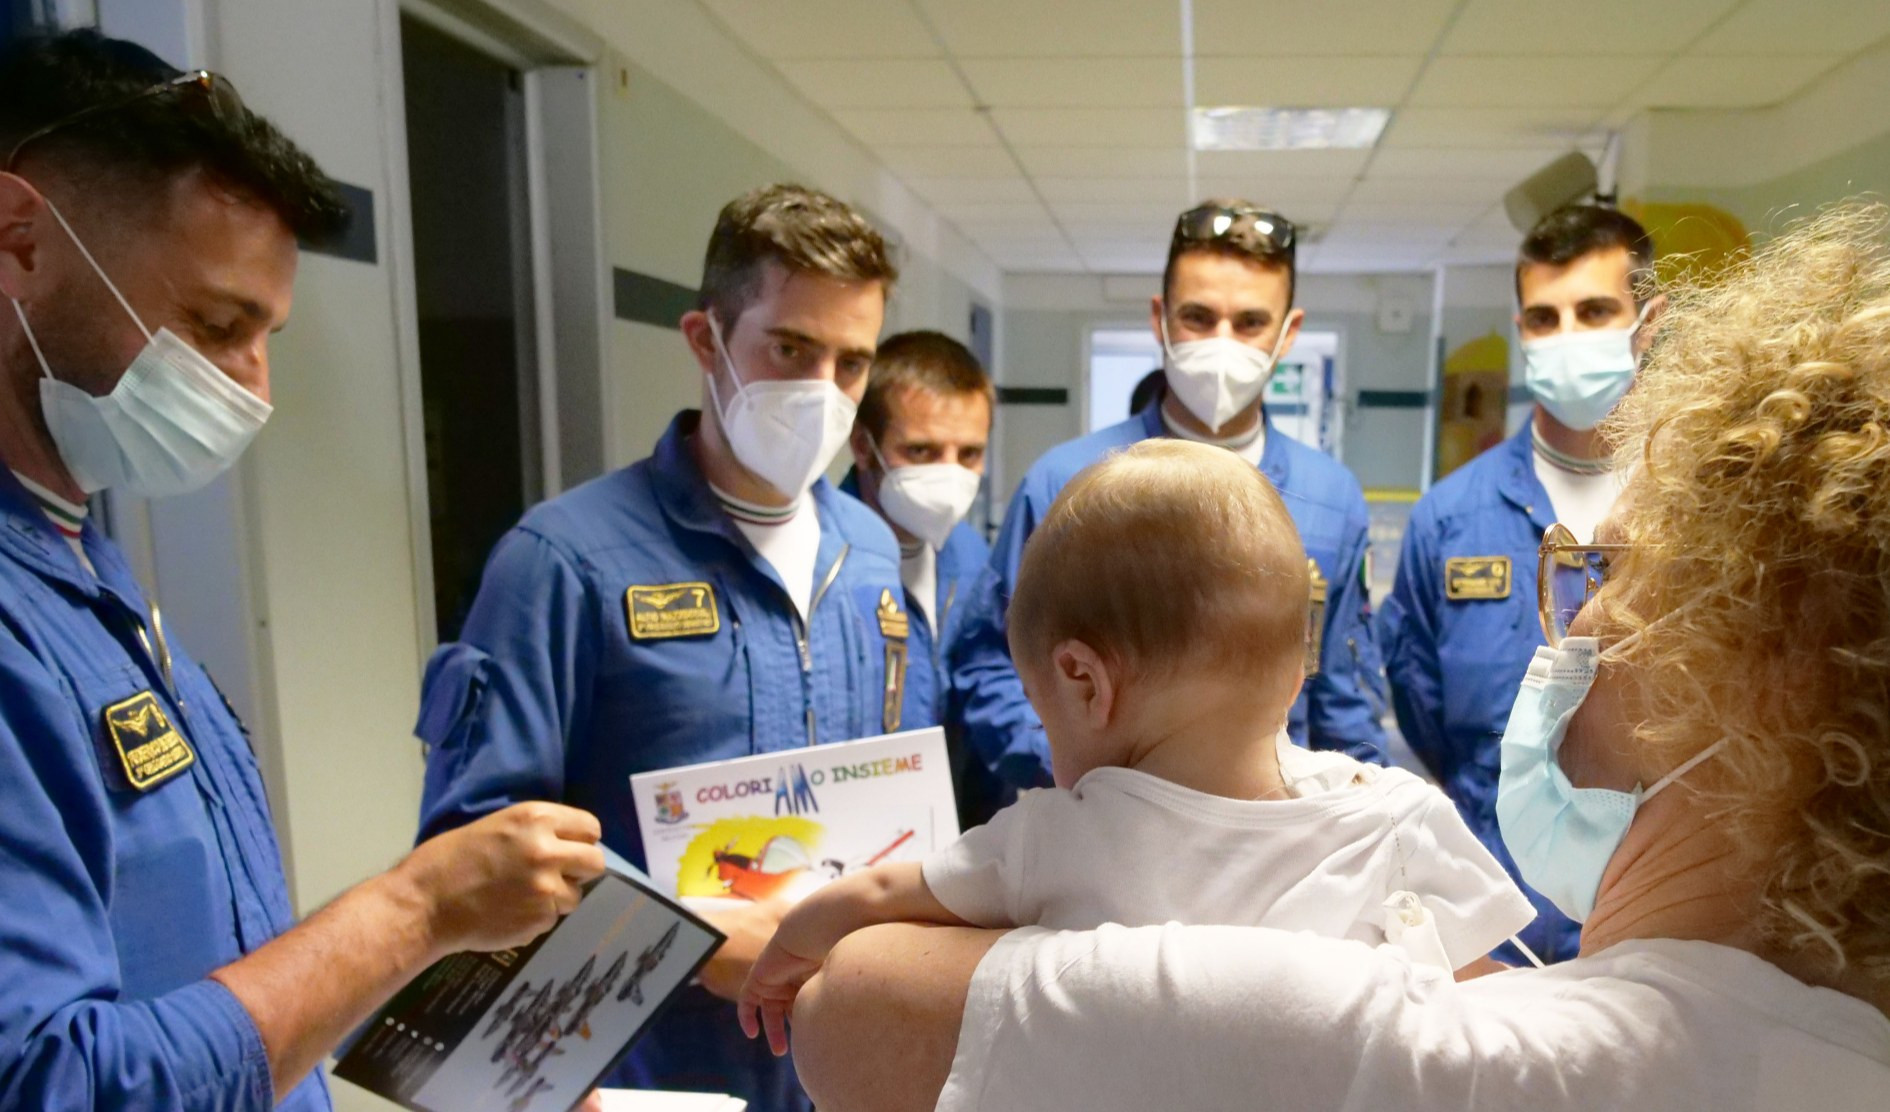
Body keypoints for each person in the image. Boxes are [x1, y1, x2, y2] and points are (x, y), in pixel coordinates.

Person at [782, 202, 1890, 1112]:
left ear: (1765, 661)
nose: (1581, 617)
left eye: (1625, 570)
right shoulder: (1841, 1045)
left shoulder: (1424, 1056)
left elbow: (858, 1003)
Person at [0, 31, 606, 1111]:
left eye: (267, 332)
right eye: (217, 323)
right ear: (19, 239)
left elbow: (210, 959)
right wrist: (415, 910)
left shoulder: (81, 563)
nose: (252, 385)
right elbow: (52, 1083)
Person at [738, 440, 1531, 1053]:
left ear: (1083, 682)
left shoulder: (1060, 835)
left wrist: (788, 949)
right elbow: (1493, 1009)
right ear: (1299, 672)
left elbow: (879, 897)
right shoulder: (1395, 820)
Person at [414, 184, 921, 1110]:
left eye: (852, 364)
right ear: (706, 339)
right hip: (651, 1063)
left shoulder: (872, 554)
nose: (823, 392)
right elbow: (474, 848)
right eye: (790, 349)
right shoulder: (565, 561)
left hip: (842, 1054)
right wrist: (690, 938)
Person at [952, 199, 1386, 799]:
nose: (1222, 343)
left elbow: (1343, 693)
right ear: (1160, 319)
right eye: (1199, 318)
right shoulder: (1066, 484)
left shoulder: (1327, 498)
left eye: (1251, 322)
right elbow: (988, 666)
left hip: (1270, 840)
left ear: (1289, 334)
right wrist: (1075, 766)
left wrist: (1360, 805)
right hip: (1096, 827)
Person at [1378, 205, 1661, 964]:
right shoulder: (1450, 520)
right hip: (1500, 930)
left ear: (1650, 321)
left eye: (1595, 311)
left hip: (1673, 920)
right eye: (1544, 317)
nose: (1567, 335)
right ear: (1521, 331)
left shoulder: (1701, 510)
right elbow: (1424, 711)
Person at [840, 329, 1001, 827]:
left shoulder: (973, 559)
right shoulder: (824, 564)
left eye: (969, 454)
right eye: (922, 452)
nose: (951, 476)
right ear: (863, 447)